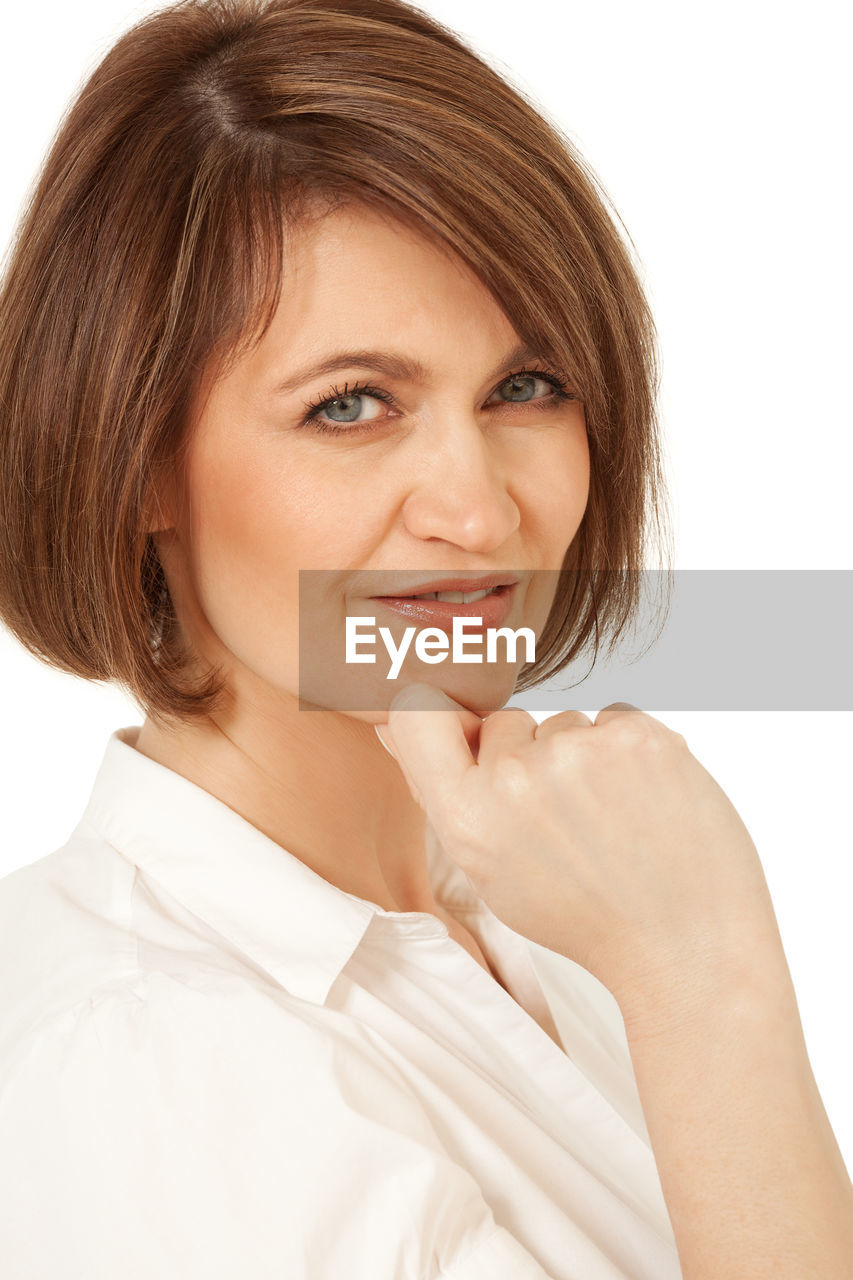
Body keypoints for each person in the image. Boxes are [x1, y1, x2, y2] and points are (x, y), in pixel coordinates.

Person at [0, 1, 850, 1276]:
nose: (479, 507)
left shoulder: (539, 924)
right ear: (136, 469)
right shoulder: (141, 1061)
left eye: (526, 386)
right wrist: (706, 976)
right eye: (350, 405)